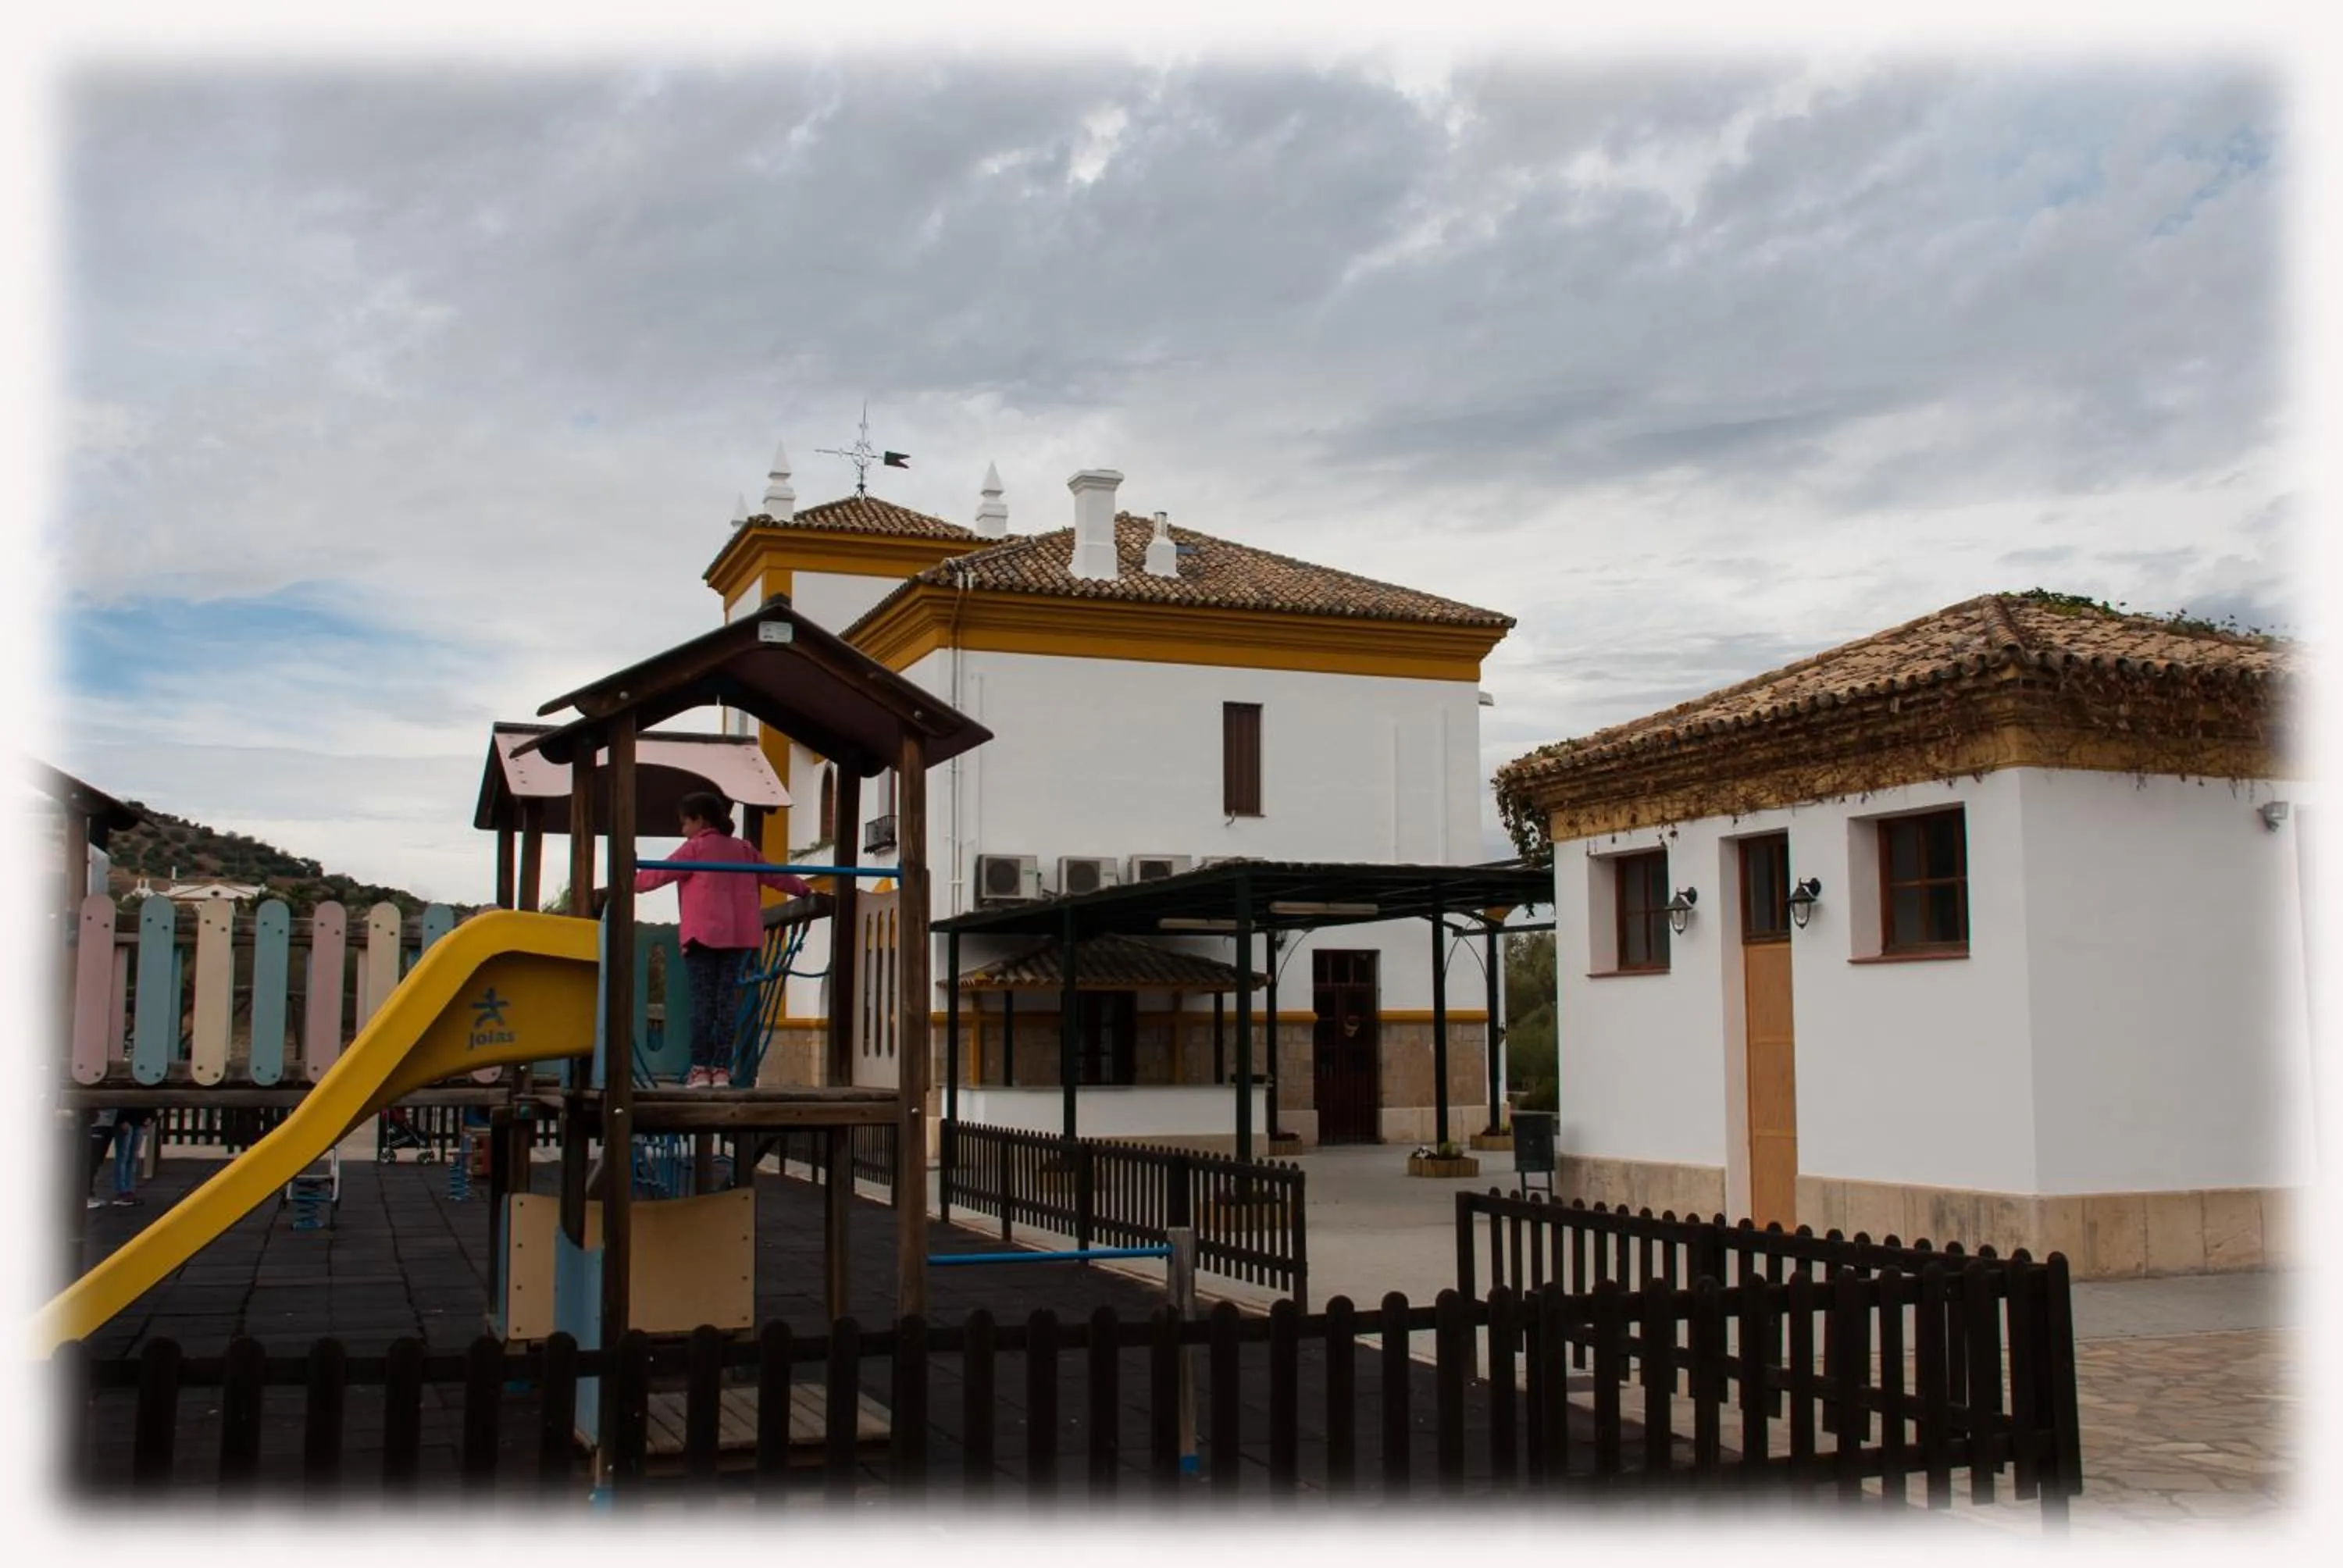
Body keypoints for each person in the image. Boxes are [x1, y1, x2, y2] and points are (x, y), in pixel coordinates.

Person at [633, 793, 811, 1088]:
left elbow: (659, 873)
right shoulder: (743, 849)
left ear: (700, 820)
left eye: (684, 823)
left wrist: (631, 882)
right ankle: (721, 1069)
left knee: (702, 1003)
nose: (683, 830)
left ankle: (700, 1069)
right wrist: (802, 889)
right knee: (726, 1003)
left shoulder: (694, 848)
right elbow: (774, 875)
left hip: (702, 937)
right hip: (736, 938)